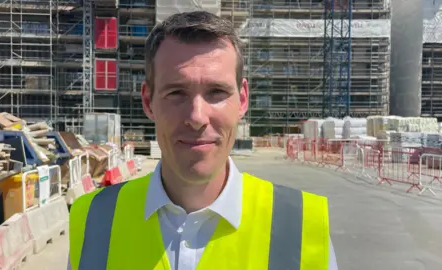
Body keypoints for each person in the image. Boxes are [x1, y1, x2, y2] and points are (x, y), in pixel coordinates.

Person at [68, 11, 338, 270]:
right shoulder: (93, 221)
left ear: (242, 100)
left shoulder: (301, 226)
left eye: (217, 92)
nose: (197, 117)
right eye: (176, 93)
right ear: (148, 102)